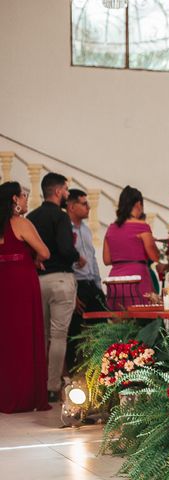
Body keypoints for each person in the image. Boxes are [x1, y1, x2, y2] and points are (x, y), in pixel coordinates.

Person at [27, 173, 82, 402]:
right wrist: (77, 256)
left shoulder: (32, 217)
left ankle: (37, 384)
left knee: (42, 335)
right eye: (66, 189)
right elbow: (66, 249)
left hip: (37, 279)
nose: (68, 194)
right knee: (59, 335)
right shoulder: (60, 217)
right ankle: (52, 386)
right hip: (60, 279)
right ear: (58, 191)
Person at [0, 182, 51, 413]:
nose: (26, 200)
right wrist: (35, 259)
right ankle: (26, 396)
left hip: (3, 283)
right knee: (24, 336)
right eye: (23, 196)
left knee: (6, 339)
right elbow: (45, 252)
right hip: (21, 283)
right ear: (14, 200)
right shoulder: (20, 223)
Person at [66, 189, 106, 370]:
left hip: (92, 286)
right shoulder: (64, 229)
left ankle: (101, 372)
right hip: (77, 287)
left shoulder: (86, 230)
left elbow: (93, 260)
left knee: (102, 331)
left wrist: (98, 286)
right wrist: (72, 293)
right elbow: (64, 262)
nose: (89, 207)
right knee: (75, 334)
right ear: (72, 206)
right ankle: (74, 377)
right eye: (84, 203)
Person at [103, 186, 160, 308]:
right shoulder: (142, 227)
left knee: (119, 325)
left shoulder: (111, 228)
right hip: (138, 280)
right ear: (138, 204)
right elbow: (154, 256)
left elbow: (106, 260)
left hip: (115, 282)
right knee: (142, 322)